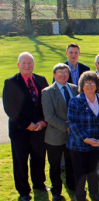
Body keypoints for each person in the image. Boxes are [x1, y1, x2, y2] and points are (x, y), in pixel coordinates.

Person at [3, 52, 49, 201]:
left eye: (30, 63)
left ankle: (39, 184)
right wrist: (27, 125)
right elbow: (10, 108)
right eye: (24, 63)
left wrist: (43, 121)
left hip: (39, 130)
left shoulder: (41, 80)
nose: (27, 66)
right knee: (20, 161)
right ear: (18, 65)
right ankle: (23, 191)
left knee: (38, 159)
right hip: (20, 131)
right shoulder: (10, 82)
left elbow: (47, 104)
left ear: (33, 65)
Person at [67, 71, 99, 201]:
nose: (90, 85)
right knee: (80, 173)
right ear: (82, 85)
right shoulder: (75, 101)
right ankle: (81, 196)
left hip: (97, 144)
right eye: (87, 83)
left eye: (93, 83)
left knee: (93, 172)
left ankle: (94, 194)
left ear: (97, 85)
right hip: (79, 145)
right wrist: (86, 139)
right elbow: (73, 124)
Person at [42, 63, 78, 201]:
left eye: (65, 73)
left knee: (71, 163)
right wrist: (66, 127)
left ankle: (72, 185)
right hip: (54, 137)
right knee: (55, 166)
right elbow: (49, 116)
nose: (63, 75)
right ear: (54, 75)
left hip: (72, 137)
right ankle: (56, 191)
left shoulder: (75, 89)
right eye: (60, 73)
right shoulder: (47, 92)